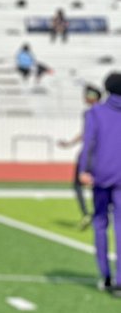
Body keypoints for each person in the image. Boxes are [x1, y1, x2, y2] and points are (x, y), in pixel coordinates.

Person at [80, 72, 121, 295]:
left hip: (101, 174)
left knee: (100, 223)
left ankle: (105, 275)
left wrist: (83, 170)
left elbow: (89, 143)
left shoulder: (96, 112)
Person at [58, 84, 102, 229]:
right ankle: (99, 214)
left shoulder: (90, 113)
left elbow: (87, 134)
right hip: (103, 155)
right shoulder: (108, 113)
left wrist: (70, 144)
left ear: (92, 97)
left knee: (78, 184)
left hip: (89, 155)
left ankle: (87, 214)